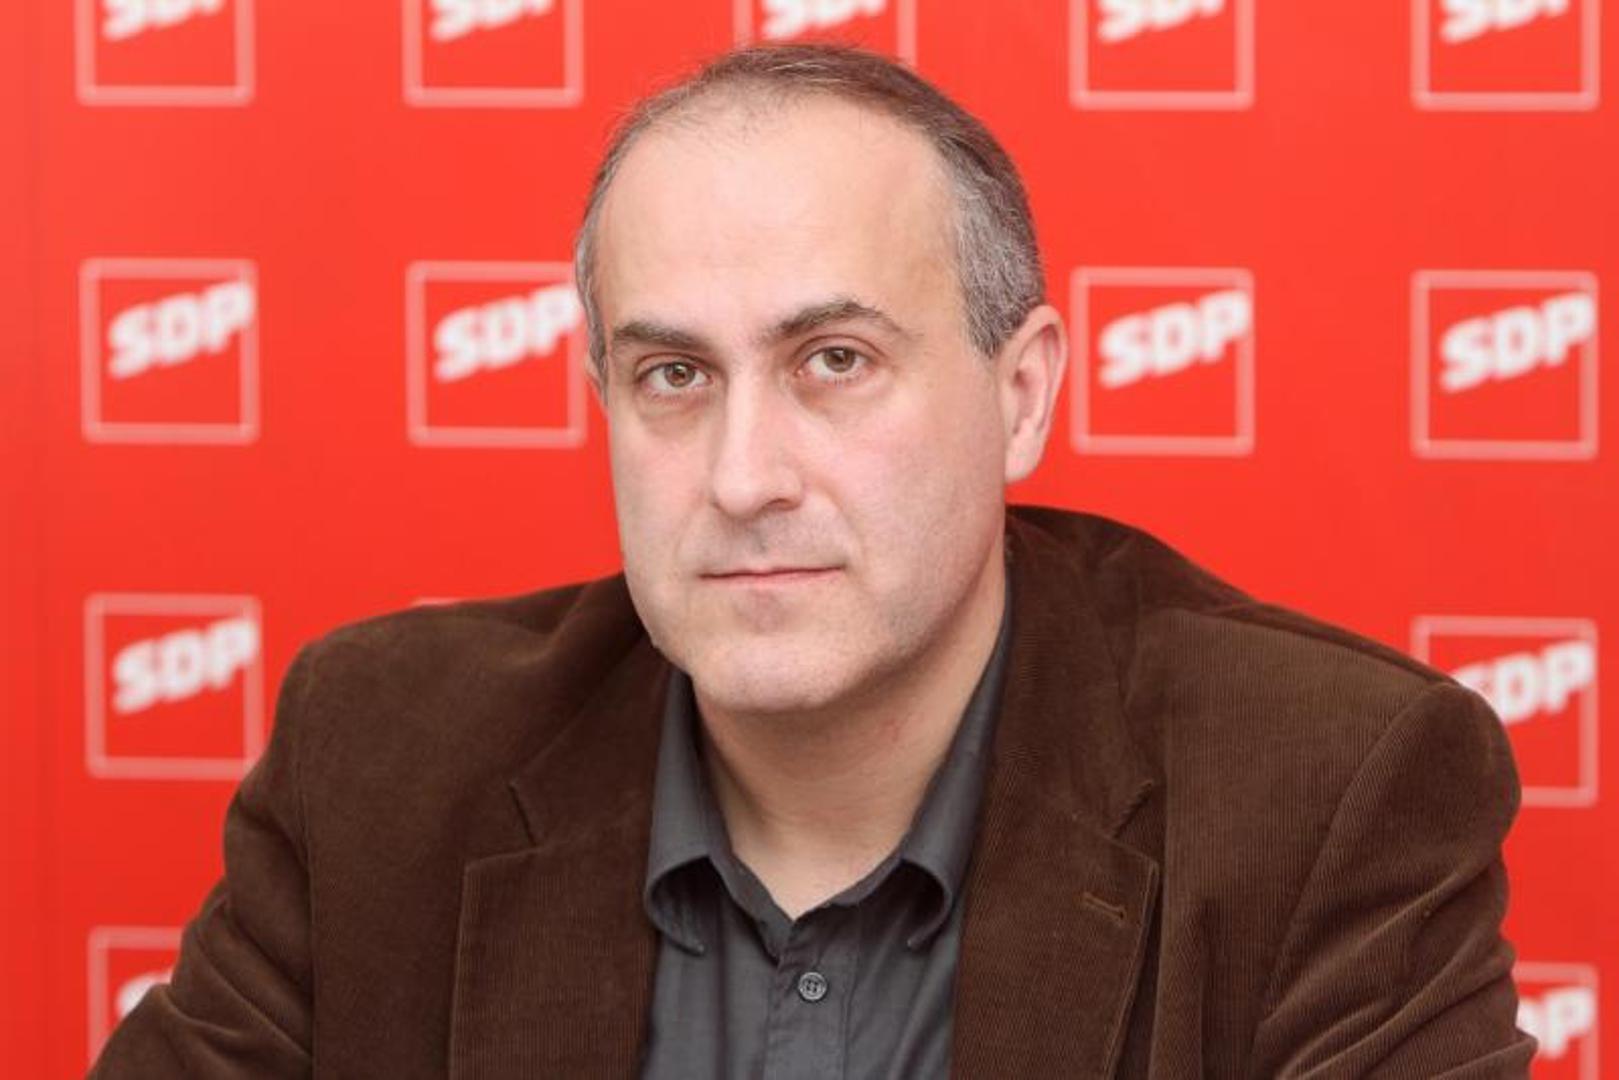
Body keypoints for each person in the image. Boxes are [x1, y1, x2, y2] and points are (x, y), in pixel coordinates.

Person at [92, 44, 1535, 1077]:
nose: (743, 478)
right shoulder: (383, 760)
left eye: (833, 360)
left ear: (1021, 395)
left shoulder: (1323, 791)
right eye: (672, 376)